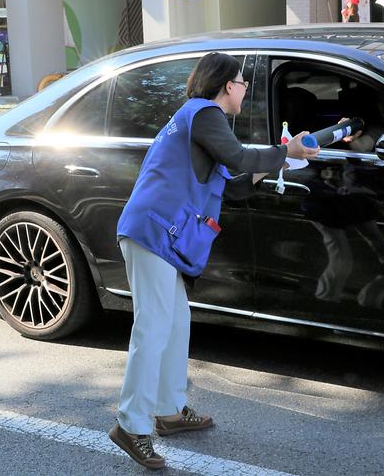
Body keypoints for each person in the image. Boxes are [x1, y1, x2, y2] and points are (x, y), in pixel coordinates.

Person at [109, 52, 320, 470]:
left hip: (159, 233)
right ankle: (131, 425)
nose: (244, 89)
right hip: (151, 231)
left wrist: (284, 160)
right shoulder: (205, 114)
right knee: (152, 326)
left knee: (175, 321)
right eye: (242, 82)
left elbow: (236, 185)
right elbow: (240, 157)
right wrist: (282, 152)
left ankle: (168, 409)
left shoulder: (204, 124)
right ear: (227, 85)